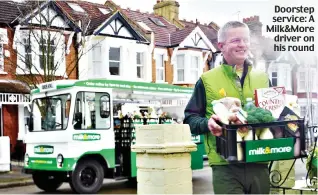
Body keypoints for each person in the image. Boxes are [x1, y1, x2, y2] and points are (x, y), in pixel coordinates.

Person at [183, 21, 270, 194]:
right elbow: (190, 119)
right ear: (221, 45)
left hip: (259, 159)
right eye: (236, 40)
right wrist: (207, 123)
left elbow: (274, 115)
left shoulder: (263, 78)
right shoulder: (207, 80)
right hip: (225, 165)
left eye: (246, 40)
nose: (243, 45)